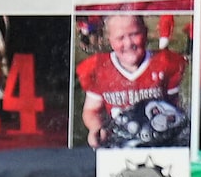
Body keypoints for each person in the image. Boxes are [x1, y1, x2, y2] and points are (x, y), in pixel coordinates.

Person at [78, 12, 186, 147]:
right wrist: (96, 128)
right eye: (120, 38)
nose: (128, 43)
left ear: (146, 33)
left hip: (160, 140)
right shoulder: (99, 68)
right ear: (109, 39)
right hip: (120, 142)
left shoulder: (164, 64)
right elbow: (91, 110)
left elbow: (175, 106)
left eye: (134, 34)